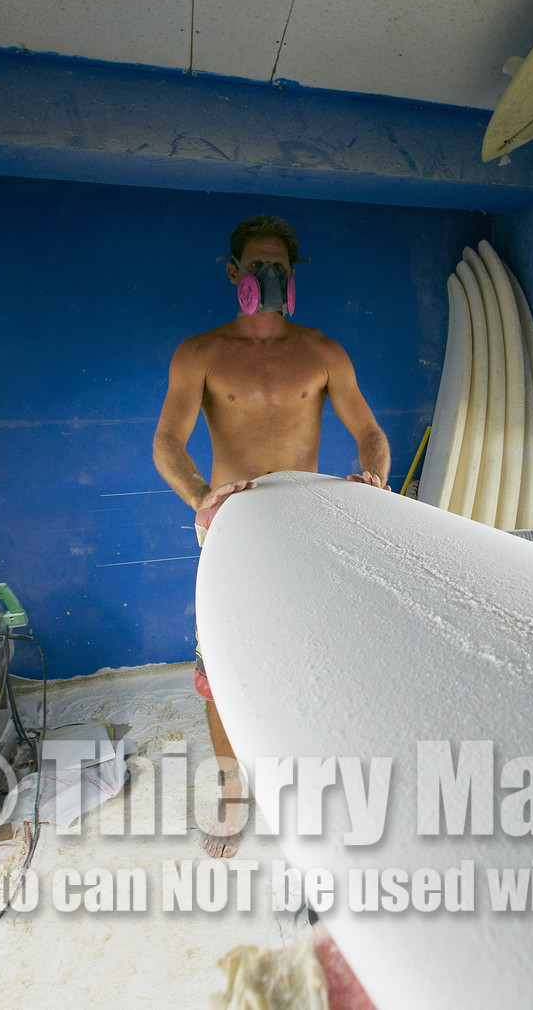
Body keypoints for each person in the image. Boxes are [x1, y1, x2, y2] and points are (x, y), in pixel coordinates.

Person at [153, 214, 390, 857]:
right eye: (257, 265)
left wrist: (373, 474)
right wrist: (201, 497)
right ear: (235, 274)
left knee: (311, 661)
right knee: (222, 669)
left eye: (280, 267)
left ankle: (309, 781)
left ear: (293, 276)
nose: (269, 276)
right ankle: (234, 796)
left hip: (304, 524)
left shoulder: (322, 352)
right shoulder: (200, 353)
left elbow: (369, 431)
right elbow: (167, 440)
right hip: (230, 526)